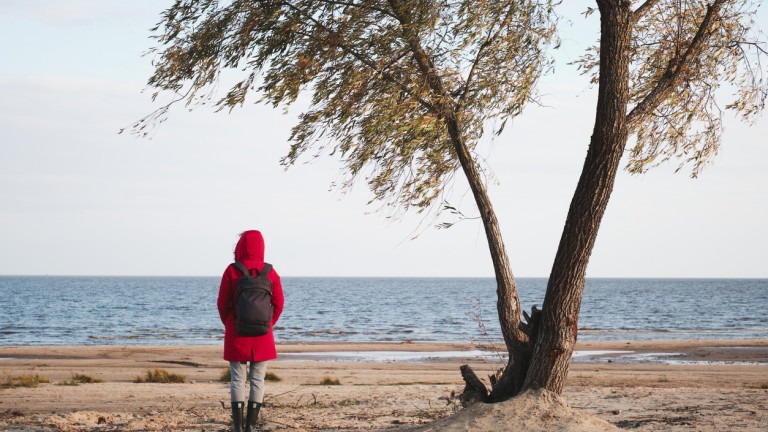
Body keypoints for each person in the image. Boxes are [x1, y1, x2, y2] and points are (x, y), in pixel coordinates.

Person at [217, 230, 284, 432]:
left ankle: (237, 427)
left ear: (240, 246)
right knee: (257, 380)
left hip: (237, 331)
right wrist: (268, 324)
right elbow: (279, 304)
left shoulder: (232, 270)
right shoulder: (270, 272)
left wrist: (230, 323)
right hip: (263, 333)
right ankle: (251, 427)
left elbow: (222, 304)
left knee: (237, 379)